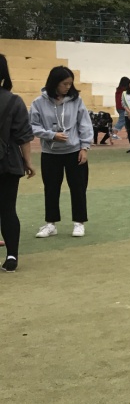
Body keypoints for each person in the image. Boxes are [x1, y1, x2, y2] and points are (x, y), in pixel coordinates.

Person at [28, 65, 93, 238]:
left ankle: (79, 222)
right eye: (65, 84)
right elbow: (32, 126)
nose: (68, 87)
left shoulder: (76, 101)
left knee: (78, 188)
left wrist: (84, 147)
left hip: (75, 151)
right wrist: (51, 135)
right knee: (51, 188)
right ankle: (51, 224)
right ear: (54, 83)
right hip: (50, 153)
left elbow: (85, 124)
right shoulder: (38, 103)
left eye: (70, 83)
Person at [0, 54, 35, 271]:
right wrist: (28, 162)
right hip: (8, 162)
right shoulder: (14, 101)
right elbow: (24, 136)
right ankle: (12, 256)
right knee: (8, 209)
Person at [111, 76, 128, 141]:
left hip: (119, 107)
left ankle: (129, 133)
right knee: (122, 120)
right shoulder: (124, 91)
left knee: (127, 121)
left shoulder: (119, 90)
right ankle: (114, 134)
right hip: (123, 107)